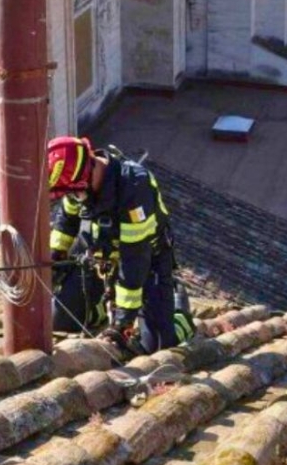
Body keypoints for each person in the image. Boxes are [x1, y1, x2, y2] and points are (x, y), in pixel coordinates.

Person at [46, 136, 195, 353]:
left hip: (147, 262)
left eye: (74, 192)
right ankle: (98, 309)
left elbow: (134, 260)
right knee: (60, 319)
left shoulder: (135, 188)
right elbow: (66, 221)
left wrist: (123, 321)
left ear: (85, 179)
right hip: (100, 258)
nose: (73, 197)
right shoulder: (77, 184)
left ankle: (180, 312)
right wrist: (55, 257)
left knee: (156, 345)